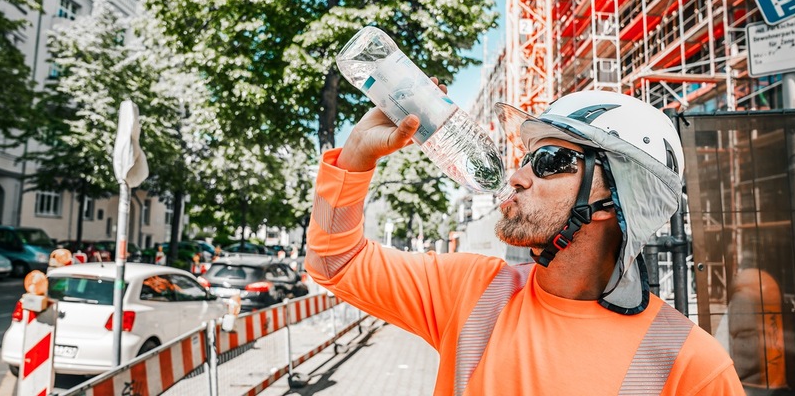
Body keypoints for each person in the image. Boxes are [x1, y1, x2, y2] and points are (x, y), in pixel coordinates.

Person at [306, 86, 745, 395]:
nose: (516, 176)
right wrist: (355, 158)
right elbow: (335, 262)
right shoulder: (472, 293)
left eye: (549, 160)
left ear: (615, 198)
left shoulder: (691, 366)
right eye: (525, 159)